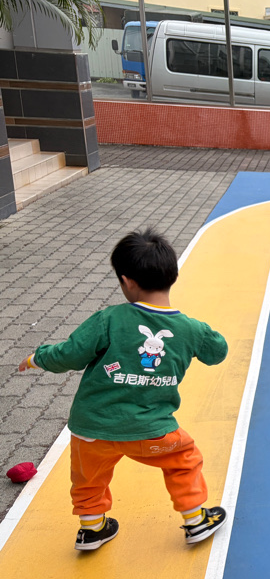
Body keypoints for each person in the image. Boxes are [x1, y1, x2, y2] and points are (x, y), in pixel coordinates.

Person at [17, 229, 229, 551]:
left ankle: (92, 529)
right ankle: (196, 520)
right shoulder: (189, 329)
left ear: (127, 281)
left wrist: (38, 358)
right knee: (183, 460)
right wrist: (197, 332)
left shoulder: (108, 319)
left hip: (93, 427)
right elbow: (218, 352)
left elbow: (70, 355)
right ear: (172, 276)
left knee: (89, 477)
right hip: (152, 429)